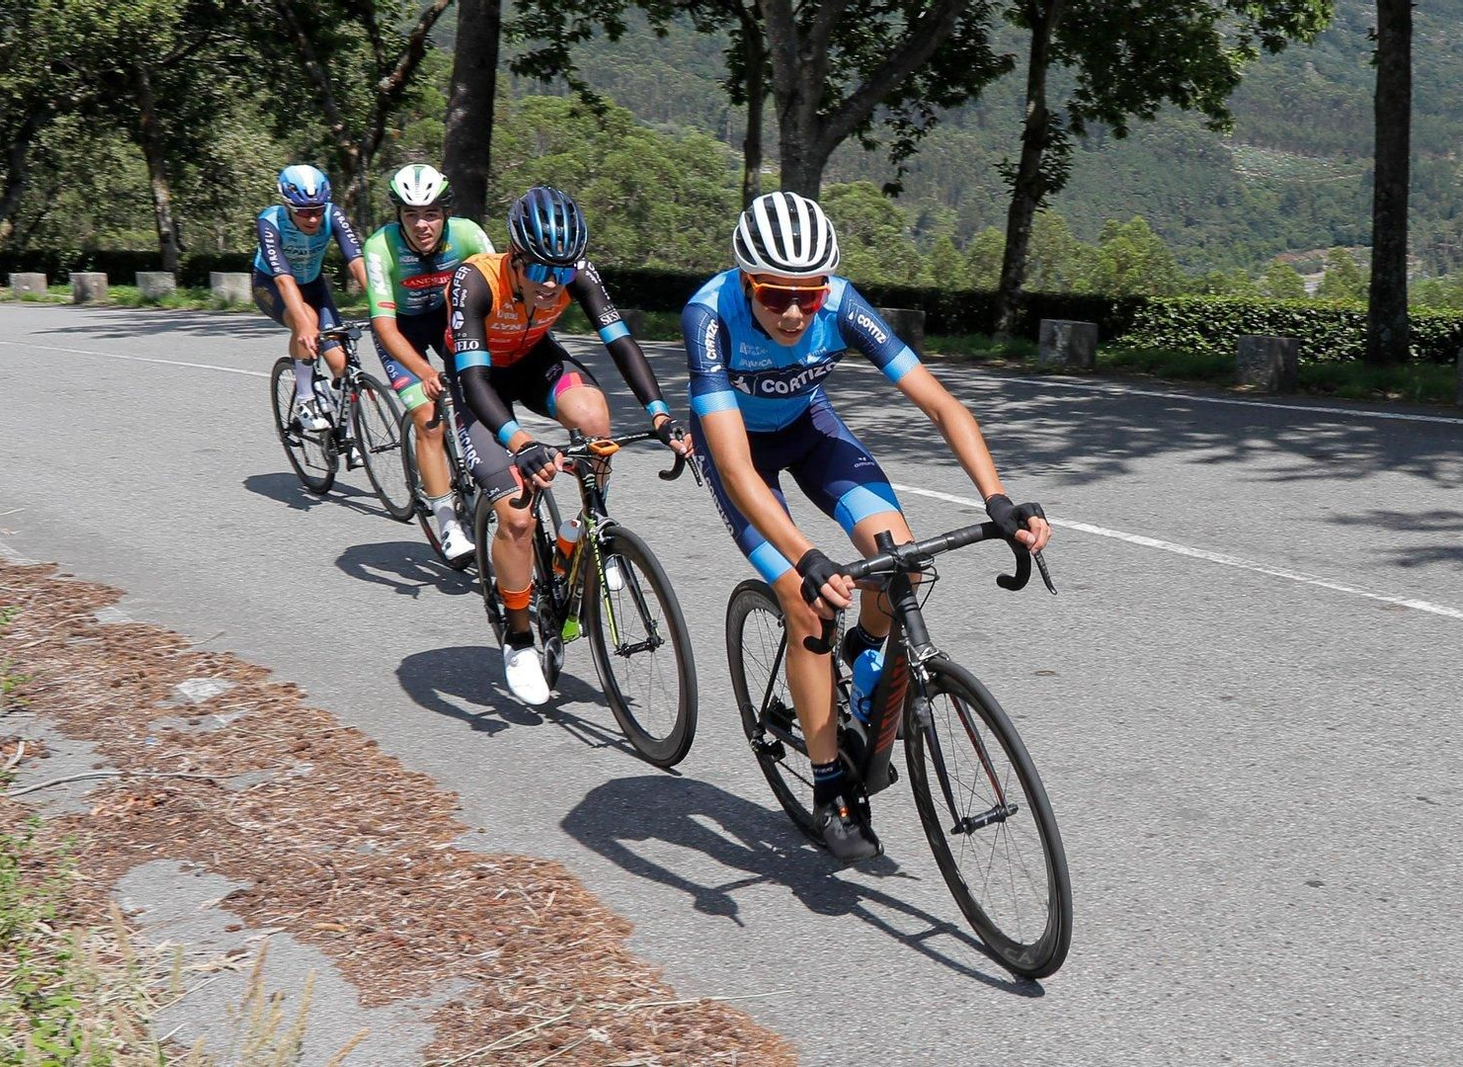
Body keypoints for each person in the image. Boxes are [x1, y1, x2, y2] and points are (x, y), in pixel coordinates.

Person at [682, 191, 1052, 863]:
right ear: (745, 281)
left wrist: (997, 498)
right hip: (738, 452)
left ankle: (860, 650)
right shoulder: (709, 315)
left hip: (810, 431)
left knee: (904, 560)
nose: (793, 313)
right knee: (805, 599)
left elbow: (940, 405)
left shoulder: (843, 304)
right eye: (774, 294)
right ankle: (830, 787)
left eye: (808, 296)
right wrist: (807, 557)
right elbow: (734, 468)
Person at [448, 185, 691, 706]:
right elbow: (472, 381)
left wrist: (660, 413)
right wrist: (520, 441)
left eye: (560, 273)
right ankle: (518, 638)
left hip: (534, 362)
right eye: (539, 270)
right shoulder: (475, 280)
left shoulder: (573, 273)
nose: (549, 283)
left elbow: (621, 342)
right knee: (516, 516)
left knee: (595, 419)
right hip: (481, 383)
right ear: (515, 257)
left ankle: (584, 534)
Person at [362, 163, 495, 564]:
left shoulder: (468, 235)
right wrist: (424, 372)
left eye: (431, 214)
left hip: (448, 322)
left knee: (480, 396)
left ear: (446, 213)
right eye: (411, 214)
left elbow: (499, 291)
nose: (422, 225)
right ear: (399, 215)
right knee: (428, 419)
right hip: (401, 331)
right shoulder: (379, 247)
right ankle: (448, 524)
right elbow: (384, 327)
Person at [252, 165, 366, 433]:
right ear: (287, 205)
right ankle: (305, 400)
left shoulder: (333, 215)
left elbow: (356, 262)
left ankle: (345, 434)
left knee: (341, 365)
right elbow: (283, 279)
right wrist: (303, 325)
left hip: (314, 287)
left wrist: (381, 304)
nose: (313, 219)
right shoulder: (270, 221)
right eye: (303, 212)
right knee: (307, 320)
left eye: (317, 210)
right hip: (271, 285)